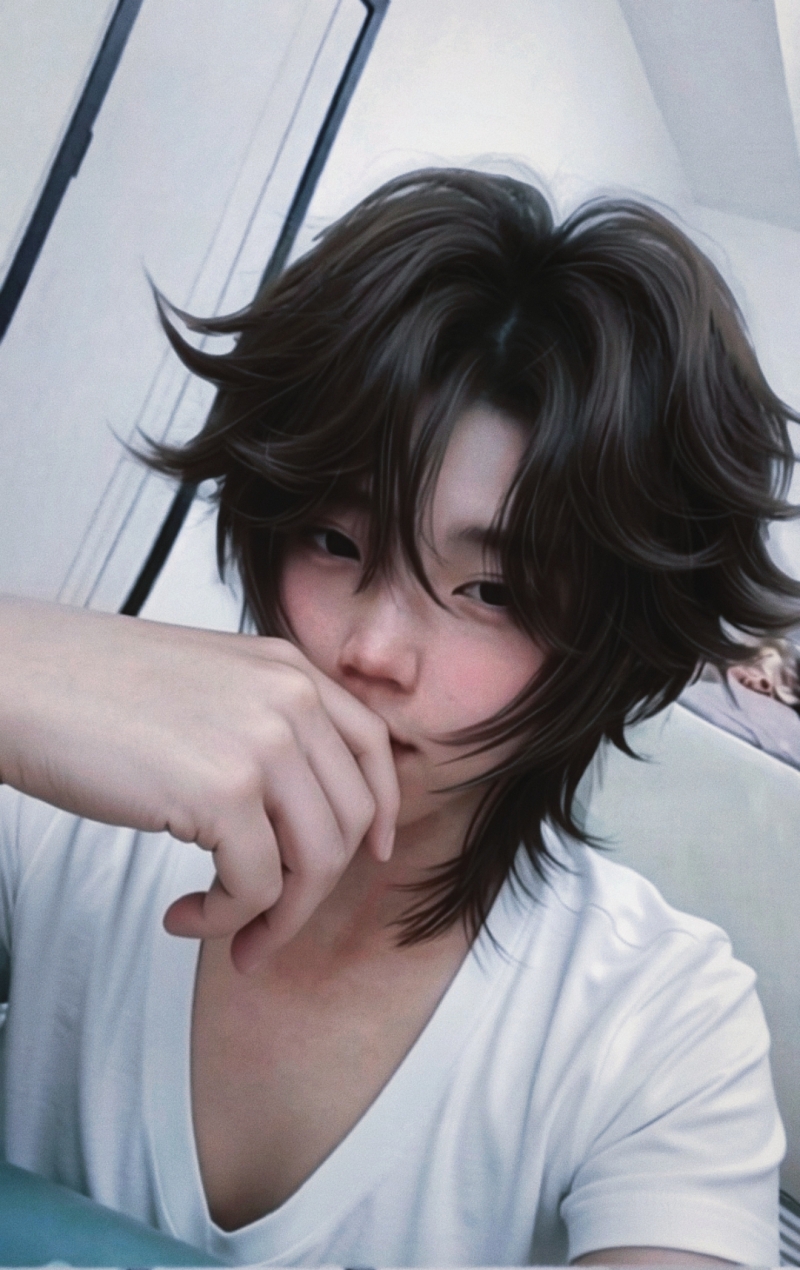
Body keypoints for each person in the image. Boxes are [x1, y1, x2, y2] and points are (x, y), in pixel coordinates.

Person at [0, 168, 798, 1267]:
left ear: (618, 647)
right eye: (334, 540)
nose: (370, 649)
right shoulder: (61, 821)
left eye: (494, 592)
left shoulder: (657, 1025)